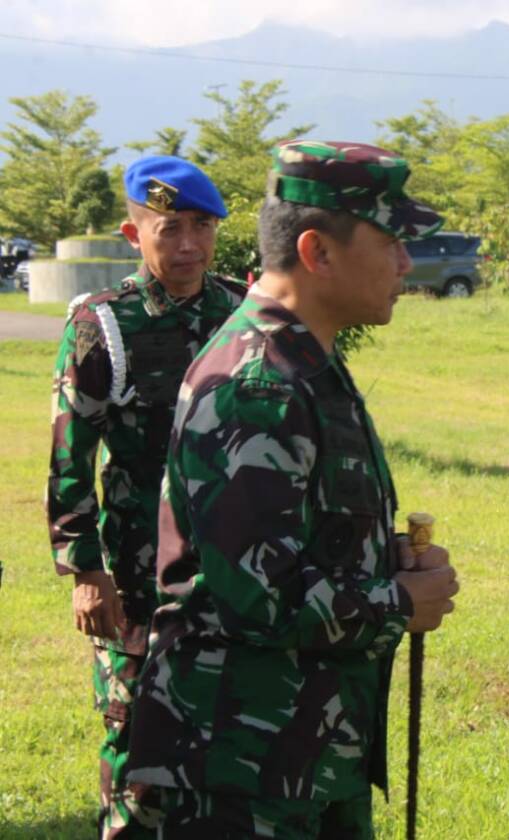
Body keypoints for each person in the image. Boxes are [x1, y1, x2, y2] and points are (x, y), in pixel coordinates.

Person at [125, 140, 461, 837]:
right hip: (237, 769)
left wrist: (386, 561)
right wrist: (399, 602)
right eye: (391, 241)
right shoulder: (259, 384)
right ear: (318, 252)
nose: (406, 263)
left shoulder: (304, 360)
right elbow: (262, 597)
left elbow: (299, 535)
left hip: (301, 751)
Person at [46, 155, 248, 838]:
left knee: (229, 737)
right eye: (169, 229)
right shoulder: (104, 326)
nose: (188, 245)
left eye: (201, 226)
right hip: (136, 573)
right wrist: (84, 571)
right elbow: (69, 457)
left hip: (234, 570)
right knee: (135, 736)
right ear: (135, 237)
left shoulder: (244, 315)